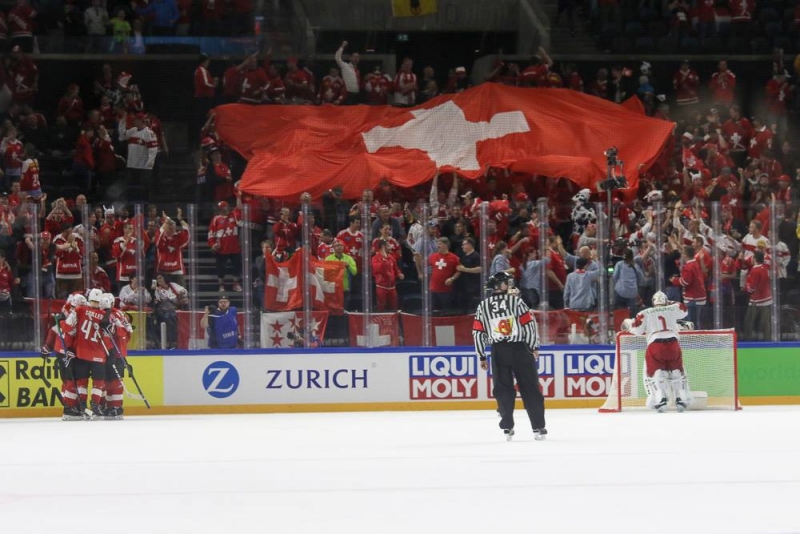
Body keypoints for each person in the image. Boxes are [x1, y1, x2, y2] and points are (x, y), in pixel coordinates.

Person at [473, 271, 546, 441]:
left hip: (499, 350)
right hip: (520, 349)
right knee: (530, 388)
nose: (509, 284)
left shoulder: (483, 306)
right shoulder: (516, 301)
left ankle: (507, 427)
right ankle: (538, 427)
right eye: (507, 282)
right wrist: (533, 346)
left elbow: (478, 332)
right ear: (500, 286)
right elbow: (529, 325)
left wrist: (481, 355)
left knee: (503, 389)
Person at [624, 291, 691, 412]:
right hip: (673, 344)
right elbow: (684, 309)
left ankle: (660, 400)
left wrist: (628, 325)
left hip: (655, 345)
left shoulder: (644, 312)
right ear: (665, 301)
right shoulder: (672, 308)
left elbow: (637, 330)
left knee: (656, 374)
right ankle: (681, 399)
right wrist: (670, 303)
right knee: (676, 372)